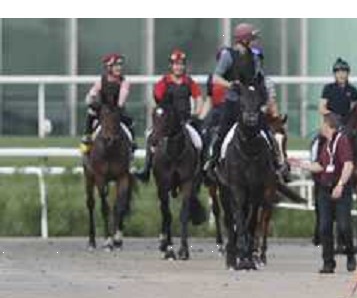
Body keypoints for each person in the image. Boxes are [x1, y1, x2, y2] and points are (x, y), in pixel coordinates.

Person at [204, 22, 274, 175]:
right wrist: (229, 85)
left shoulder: (254, 57)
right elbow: (216, 78)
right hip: (233, 102)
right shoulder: (227, 55)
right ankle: (213, 162)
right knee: (222, 132)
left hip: (250, 103)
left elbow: (257, 79)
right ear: (244, 39)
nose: (254, 41)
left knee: (266, 131)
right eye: (252, 38)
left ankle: (276, 162)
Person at [136, 49, 203, 182]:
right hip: (167, 123)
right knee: (151, 138)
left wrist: (196, 113)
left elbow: (199, 98)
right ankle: (146, 169)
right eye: (176, 64)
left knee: (199, 142)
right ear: (171, 66)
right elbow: (154, 101)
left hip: (185, 121)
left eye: (181, 64)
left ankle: (201, 171)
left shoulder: (189, 82)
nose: (179, 67)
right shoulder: (164, 82)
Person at [306, 113, 355, 273]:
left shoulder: (342, 141)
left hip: (340, 189)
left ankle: (350, 254)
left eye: (322, 124)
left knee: (344, 226)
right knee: (324, 227)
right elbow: (320, 166)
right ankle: (328, 262)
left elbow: (348, 165)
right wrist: (300, 164)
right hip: (324, 189)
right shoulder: (323, 143)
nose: (320, 127)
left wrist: (340, 185)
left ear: (329, 126)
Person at [80, 53, 137, 154]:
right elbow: (91, 94)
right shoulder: (101, 81)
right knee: (91, 113)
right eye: (116, 66)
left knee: (130, 122)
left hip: (116, 110)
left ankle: (132, 144)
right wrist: (91, 100)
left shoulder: (124, 82)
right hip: (103, 110)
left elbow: (121, 99)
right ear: (109, 67)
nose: (119, 68)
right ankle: (87, 137)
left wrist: (117, 107)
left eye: (120, 66)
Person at [319, 58, 357, 129]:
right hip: (330, 123)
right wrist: (332, 115)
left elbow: (354, 110)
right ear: (335, 74)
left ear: (347, 73)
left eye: (344, 72)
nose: (341, 75)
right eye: (338, 72)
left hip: (346, 124)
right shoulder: (328, 88)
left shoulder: (353, 90)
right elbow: (321, 108)